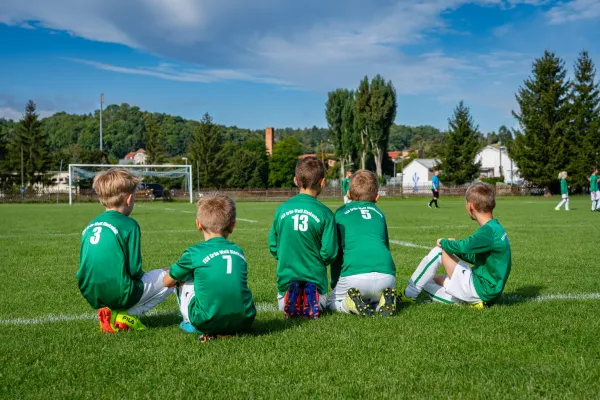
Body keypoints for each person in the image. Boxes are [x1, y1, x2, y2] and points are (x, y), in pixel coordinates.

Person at [77, 168, 173, 334]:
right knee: (175, 273)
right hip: (123, 293)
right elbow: (134, 270)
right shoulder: (129, 225)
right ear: (129, 199)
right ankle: (126, 314)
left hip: (90, 293)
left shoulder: (90, 226)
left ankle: (109, 312)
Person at [163, 193, 256, 343]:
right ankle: (230, 323)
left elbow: (166, 282)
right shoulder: (238, 251)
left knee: (182, 277)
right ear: (232, 226)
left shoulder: (194, 253)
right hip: (246, 319)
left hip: (206, 320)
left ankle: (190, 322)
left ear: (198, 224)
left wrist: (171, 273)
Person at [402, 182, 511, 307]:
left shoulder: (488, 231)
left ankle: (408, 295)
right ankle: (471, 301)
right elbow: (474, 256)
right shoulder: (496, 228)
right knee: (429, 280)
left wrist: (444, 242)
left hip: (482, 289)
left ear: (470, 206)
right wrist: (454, 247)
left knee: (438, 251)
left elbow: (464, 246)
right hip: (490, 289)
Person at [268, 156, 338, 319]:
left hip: (285, 283)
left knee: (284, 299)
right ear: (322, 182)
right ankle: (309, 295)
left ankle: (292, 294)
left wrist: (285, 255)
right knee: (322, 300)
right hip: (317, 283)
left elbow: (273, 246)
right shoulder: (326, 213)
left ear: (295, 180)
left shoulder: (282, 209)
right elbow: (329, 253)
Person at [327, 170, 396, 317]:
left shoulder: (340, 213)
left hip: (354, 274)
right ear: (377, 197)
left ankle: (349, 304)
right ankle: (382, 301)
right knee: (373, 300)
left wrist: (335, 283)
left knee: (330, 302)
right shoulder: (379, 213)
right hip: (387, 275)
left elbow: (336, 254)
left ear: (349, 195)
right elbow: (386, 247)